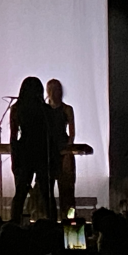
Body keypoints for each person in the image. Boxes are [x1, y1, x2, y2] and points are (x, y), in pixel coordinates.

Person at [9, 76, 59, 222]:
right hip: (43, 152)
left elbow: (13, 137)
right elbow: (53, 137)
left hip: (25, 152)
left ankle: (14, 224)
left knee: (21, 193)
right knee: (47, 194)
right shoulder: (46, 110)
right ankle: (52, 225)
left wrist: (15, 159)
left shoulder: (17, 108)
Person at [46, 78, 76, 218]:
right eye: (50, 89)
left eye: (55, 89)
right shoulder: (44, 110)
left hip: (64, 151)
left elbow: (71, 133)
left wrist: (68, 154)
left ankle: (69, 222)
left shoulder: (67, 109)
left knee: (67, 193)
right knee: (47, 192)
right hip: (48, 153)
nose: (52, 93)